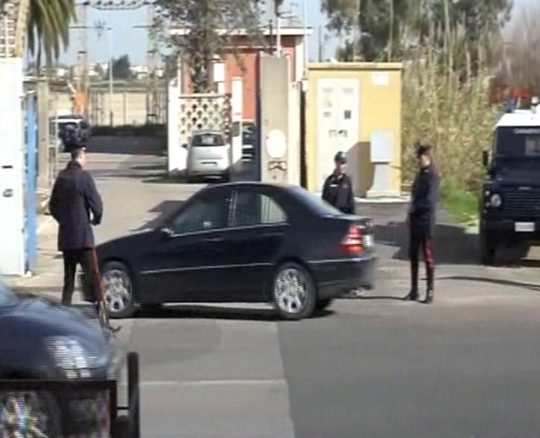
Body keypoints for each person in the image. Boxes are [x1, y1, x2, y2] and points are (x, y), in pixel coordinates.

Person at [49, 146, 103, 308]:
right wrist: (96, 219)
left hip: (67, 238)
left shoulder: (62, 177)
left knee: (69, 280)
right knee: (93, 276)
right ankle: (100, 315)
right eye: (84, 156)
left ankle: (65, 312)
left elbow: (53, 206)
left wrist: (64, 221)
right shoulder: (84, 177)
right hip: (83, 238)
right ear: (80, 157)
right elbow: (96, 204)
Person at [404, 143, 440, 304]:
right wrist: (410, 213)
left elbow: (429, 201)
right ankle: (414, 289)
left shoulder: (432, 175)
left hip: (425, 221)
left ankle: (430, 290)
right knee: (413, 255)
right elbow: (414, 195)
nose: (418, 161)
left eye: (419, 158)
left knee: (428, 257)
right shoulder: (420, 174)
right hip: (415, 221)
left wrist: (415, 209)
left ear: (425, 156)